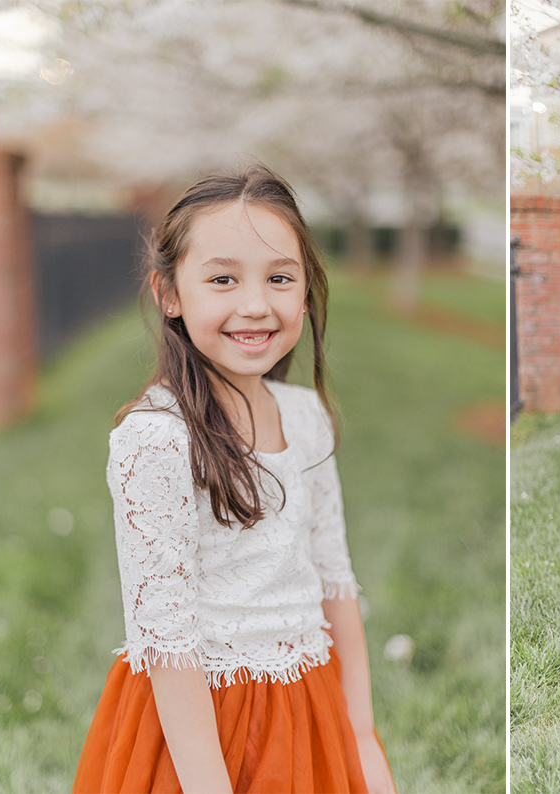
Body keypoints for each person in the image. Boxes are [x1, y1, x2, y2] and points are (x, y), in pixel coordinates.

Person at [73, 165, 396, 793]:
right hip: (196, 730)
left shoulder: (304, 418)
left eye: (279, 278)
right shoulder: (157, 438)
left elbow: (335, 581)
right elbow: (166, 641)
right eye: (222, 279)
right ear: (169, 293)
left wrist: (360, 737)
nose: (255, 304)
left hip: (309, 706)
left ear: (305, 291)